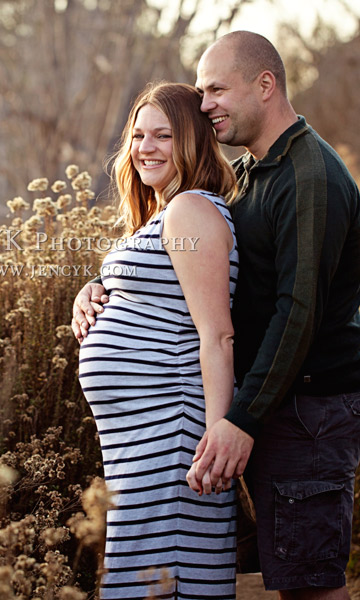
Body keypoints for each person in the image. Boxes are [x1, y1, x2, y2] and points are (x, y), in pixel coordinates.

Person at [72, 31, 360, 599]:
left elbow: (298, 315)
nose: (204, 102)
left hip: (306, 407)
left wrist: (236, 421)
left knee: (308, 583)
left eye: (215, 89)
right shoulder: (256, 176)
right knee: (284, 576)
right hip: (267, 404)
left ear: (265, 85)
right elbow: (189, 268)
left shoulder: (309, 177)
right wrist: (97, 285)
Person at [77, 81, 240, 599]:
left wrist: (218, 434)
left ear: (191, 141)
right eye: (139, 135)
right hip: (136, 446)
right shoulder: (165, 216)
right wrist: (97, 290)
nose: (145, 147)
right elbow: (163, 294)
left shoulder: (191, 209)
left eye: (163, 136)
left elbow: (216, 332)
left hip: (172, 440)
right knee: (142, 580)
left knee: (164, 583)